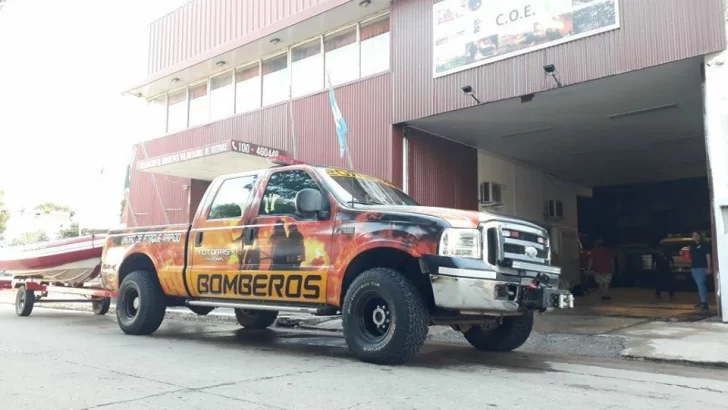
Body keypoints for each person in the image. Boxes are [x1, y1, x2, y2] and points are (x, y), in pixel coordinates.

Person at [689, 231, 712, 310]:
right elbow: (689, 256)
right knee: (700, 285)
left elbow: (708, 255)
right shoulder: (692, 246)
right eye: (693, 235)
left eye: (696, 235)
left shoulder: (704, 244)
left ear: (700, 236)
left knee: (700, 283)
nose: (695, 237)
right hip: (694, 267)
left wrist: (709, 267)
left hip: (702, 267)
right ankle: (703, 301)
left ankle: (704, 302)